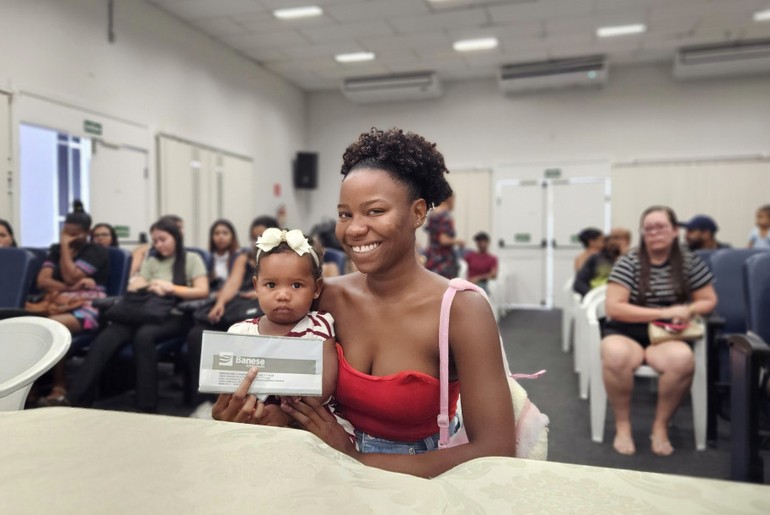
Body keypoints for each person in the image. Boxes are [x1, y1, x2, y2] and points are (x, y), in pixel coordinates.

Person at [212, 128, 515, 478]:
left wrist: (355, 458)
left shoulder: (461, 310)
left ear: (418, 213)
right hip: (320, 460)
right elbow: (281, 385)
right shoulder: (325, 298)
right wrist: (254, 414)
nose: (354, 230)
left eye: (374, 211)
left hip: (417, 480)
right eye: (345, 214)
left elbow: (496, 450)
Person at [55, 217, 209, 412]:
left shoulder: (191, 259)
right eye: (156, 241)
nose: (159, 245)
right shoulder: (153, 261)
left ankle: (146, 404)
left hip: (175, 315)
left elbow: (202, 290)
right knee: (107, 336)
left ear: (176, 237)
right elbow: (135, 285)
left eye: (163, 239)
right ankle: (74, 398)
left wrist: (171, 288)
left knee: (144, 336)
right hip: (144, 311)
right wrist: (150, 285)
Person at [601, 206, 717, 456]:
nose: (654, 232)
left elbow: (708, 300)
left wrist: (690, 308)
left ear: (675, 231)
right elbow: (614, 307)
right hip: (626, 331)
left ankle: (661, 425)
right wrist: (662, 312)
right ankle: (623, 425)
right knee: (614, 353)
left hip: (667, 336)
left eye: (661, 226)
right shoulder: (629, 261)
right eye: (648, 227)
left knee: (682, 359)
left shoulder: (688, 261)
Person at [227, 228, 336, 407]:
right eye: (271, 285)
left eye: (296, 285)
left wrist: (285, 414)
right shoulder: (241, 332)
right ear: (256, 286)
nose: (283, 295)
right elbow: (229, 384)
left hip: (308, 417)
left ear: (316, 288)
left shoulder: (319, 327)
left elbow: (325, 386)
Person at [34, 206, 110, 404]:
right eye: (66, 233)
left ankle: (60, 385)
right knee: (31, 326)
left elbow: (70, 274)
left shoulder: (96, 251)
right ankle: (30, 386)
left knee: (54, 326)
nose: (68, 237)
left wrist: (66, 248)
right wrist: (70, 286)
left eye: (74, 234)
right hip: (59, 301)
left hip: (89, 305)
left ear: (86, 233)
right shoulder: (55, 250)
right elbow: (42, 280)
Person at [186, 219, 252, 412]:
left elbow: (235, 284)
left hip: (243, 310)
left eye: (225, 233)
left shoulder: (247, 256)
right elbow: (224, 286)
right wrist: (218, 302)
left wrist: (222, 301)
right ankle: (201, 399)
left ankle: (232, 401)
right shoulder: (213, 258)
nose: (221, 237)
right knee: (196, 335)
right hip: (223, 306)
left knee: (233, 338)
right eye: (217, 233)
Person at [573, 227, 631, 298]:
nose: (613, 241)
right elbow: (579, 283)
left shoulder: (634, 259)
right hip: (598, 297)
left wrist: (624, 254)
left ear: (627, 241)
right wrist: (593, 294)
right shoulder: (596, 258)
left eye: (617, 238)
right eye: (611, 238)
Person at [424, 194, 463, 278]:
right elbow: (443, 240)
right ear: (449, 199)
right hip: (444, 261)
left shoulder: (432, 214)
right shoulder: (445, 216)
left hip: (432, 257)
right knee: (445, 287)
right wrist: (458, 241)